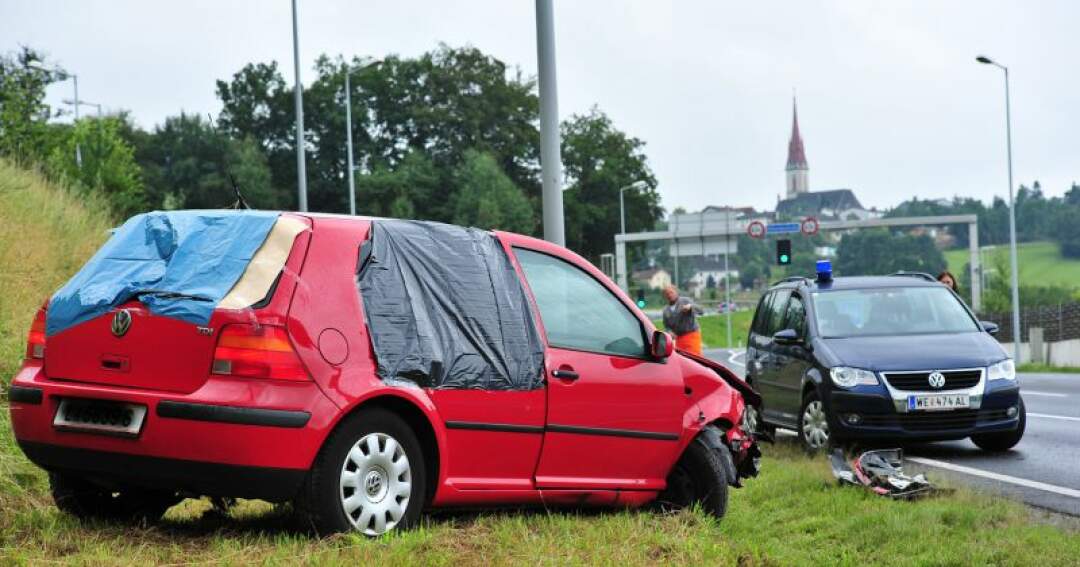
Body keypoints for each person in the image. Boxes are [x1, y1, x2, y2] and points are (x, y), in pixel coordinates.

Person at [662, 285, 704, 355]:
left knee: (694, 359)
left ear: (676, 292)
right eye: (667, 294)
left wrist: (690, 307)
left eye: (671, 292)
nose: (669, 295)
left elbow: (701, 311)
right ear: (665, 296)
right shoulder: (666, 310)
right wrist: (669, 332)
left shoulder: (685, 301)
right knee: (683, 361)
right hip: (679, 339)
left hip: (691, 335)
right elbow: (666, 326)